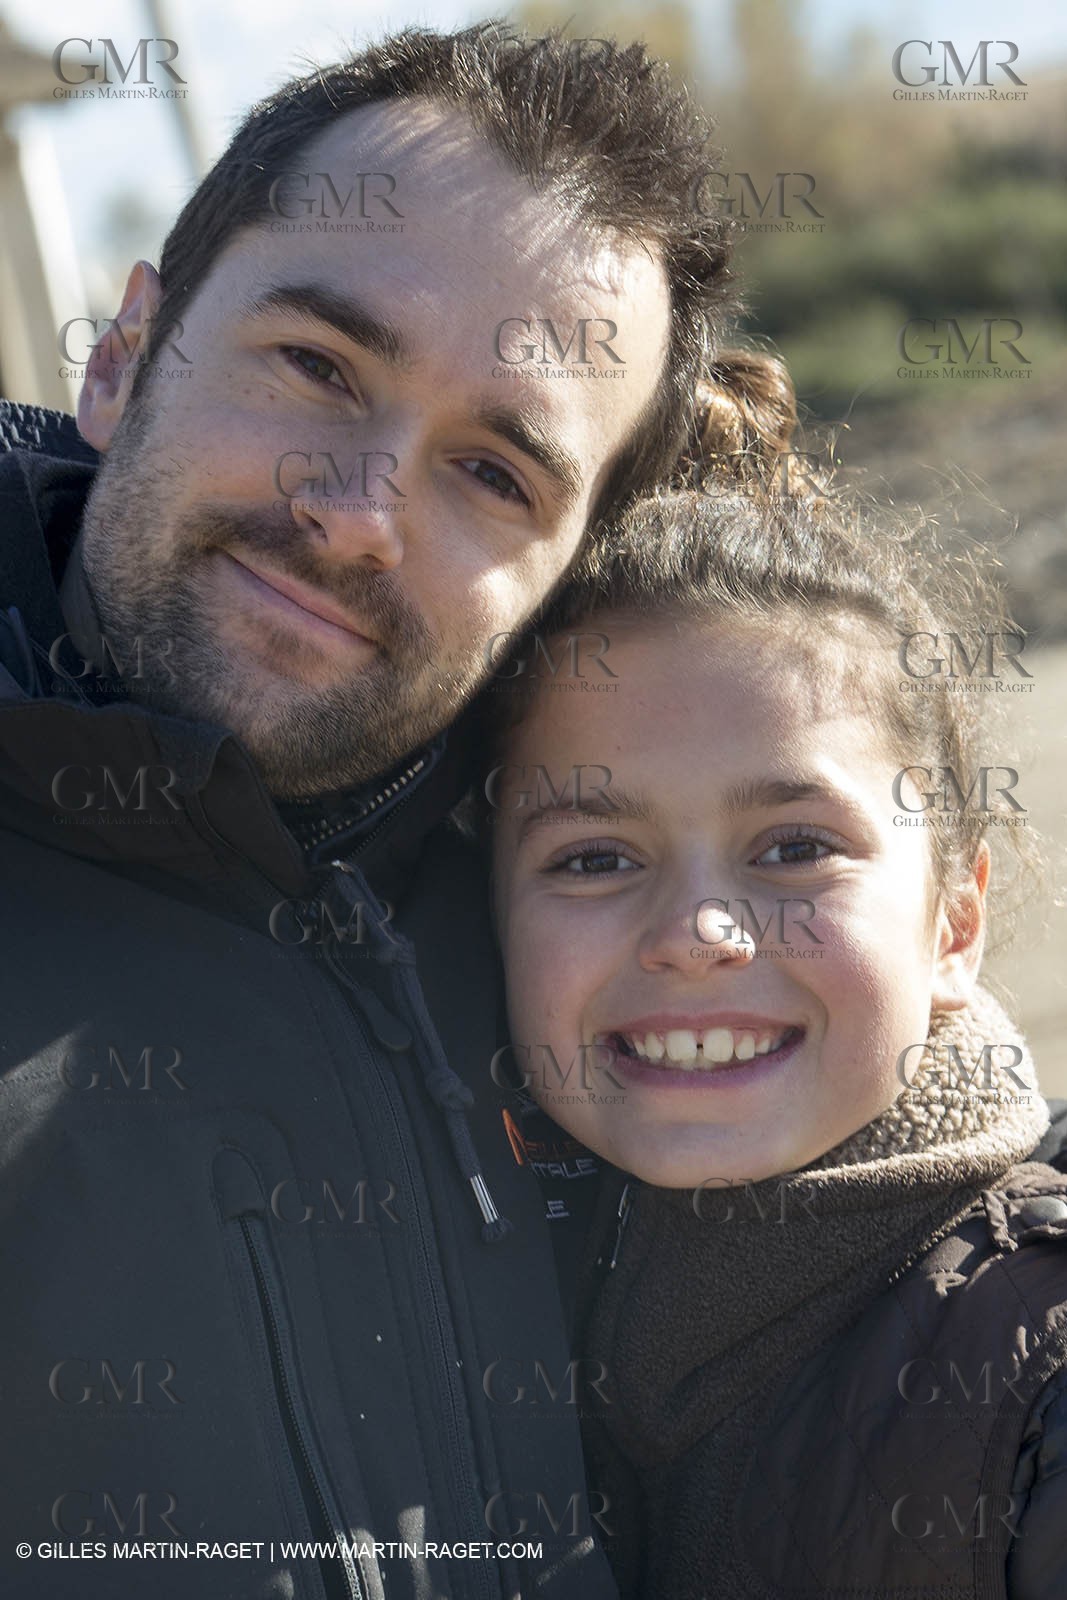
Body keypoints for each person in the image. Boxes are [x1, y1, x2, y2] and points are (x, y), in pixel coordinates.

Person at [0, 22, 777, 1599]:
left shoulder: (601, 907)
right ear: (123, 351)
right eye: (316, 365)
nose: (353, 517)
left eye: (493, 473)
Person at [487, 467, 1067, 1598]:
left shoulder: (1034, 1362)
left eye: (794, 847)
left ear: (954, 919)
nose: (697, 933)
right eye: (593, 858)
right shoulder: (450, 1302)